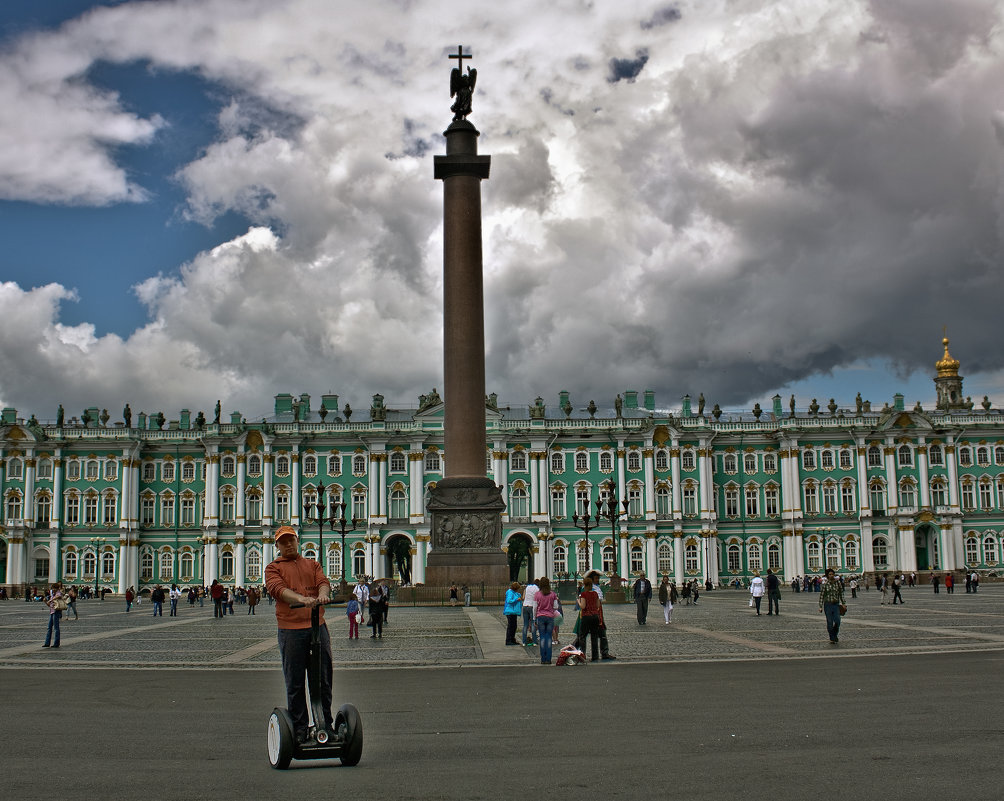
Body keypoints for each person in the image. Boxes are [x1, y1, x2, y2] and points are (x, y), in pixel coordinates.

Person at [264, 525, 333, 744]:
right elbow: (277, 589)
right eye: (283, 542)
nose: (288, 544)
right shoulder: (273, 568)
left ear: (297, 541)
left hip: (317, 627)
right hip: (291, 630)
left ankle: (325, 724)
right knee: (295, 682)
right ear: (277, 546)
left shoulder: (312, 564)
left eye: (291, 540)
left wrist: (322, 595)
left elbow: (323, 582)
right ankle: (300, 727)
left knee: (323, 679)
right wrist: (300, 599)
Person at [584, 571, 616, 659]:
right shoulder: (591, 589)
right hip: (592, 614)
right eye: (596, 578)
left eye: (598, 578)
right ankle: (578, 652)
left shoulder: (597, 588)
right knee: (584, 634)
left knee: (602, 633)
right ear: (591, 580)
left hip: (598, 613)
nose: (598, 580)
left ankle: (604, 652)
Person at [534, 577, 559, 665]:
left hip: (540, 617)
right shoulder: (552, 594)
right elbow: (556, 606)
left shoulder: (537, 594)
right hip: (550, 617)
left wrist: (534, 618)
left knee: (542, 638)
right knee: (548, 637)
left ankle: (543, 658)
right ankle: (548, 658)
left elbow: (535, 608)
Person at [577, 576, 603, 662]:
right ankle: (595, 656)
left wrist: (578, 602)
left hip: (586, 616)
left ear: (585, 585)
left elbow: (583, 606)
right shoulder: (595, 594)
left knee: (582, 636)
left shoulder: (584, 594)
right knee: (594, 636)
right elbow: (598, 605)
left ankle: (582, 654)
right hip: (595, 616)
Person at [819, 567, 845, 644]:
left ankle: (834, 634)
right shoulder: (825, 584)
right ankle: (832, 637)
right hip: (828, 605)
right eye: (830, 574)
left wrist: (844, 603)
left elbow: (841, 593)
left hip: (836, 604)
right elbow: (822, 596)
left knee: (837, 621)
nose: (831, 575)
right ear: (827, 575)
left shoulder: (838, 583)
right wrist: (820, 607)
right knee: (830, 622)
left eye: (832, 574)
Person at [43, 582, 64, 648]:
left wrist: (51, 600)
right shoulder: (53, 594)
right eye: (52, 588)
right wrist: (46, 602)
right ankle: (47, 643)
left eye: (54, 588)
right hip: (52, 612)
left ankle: (56, 643)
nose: (53, 590)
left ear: (57, 588)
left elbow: (59, 596)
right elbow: (50, 605)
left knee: (56, 628)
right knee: (49, 628)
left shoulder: (58, 593)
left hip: (56, 612)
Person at [521, 578, 539, 646]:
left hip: (525, 605)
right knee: (533, 623)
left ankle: (524, 642)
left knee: (525, 624)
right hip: (532, 606)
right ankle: (534, 641)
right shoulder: (537, 589)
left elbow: (523, 596)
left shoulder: (527, 587)